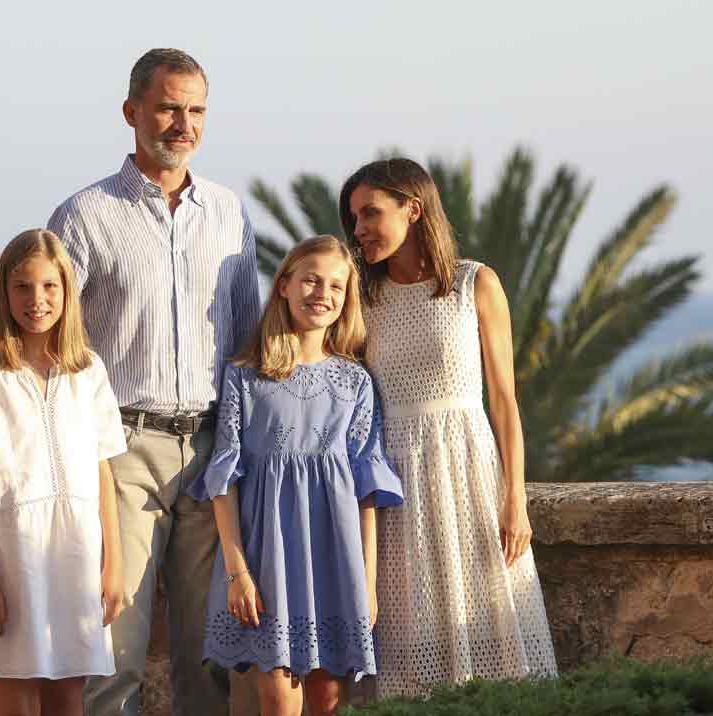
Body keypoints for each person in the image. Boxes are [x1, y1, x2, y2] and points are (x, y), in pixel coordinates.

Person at [46, 48, 261, 716]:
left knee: (211, 659)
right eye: (168, 106)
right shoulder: (83, 216)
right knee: (113, 651)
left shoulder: (229, 213)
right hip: (121, 453)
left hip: (211, 454)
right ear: (132, 111)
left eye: (194, 109)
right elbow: (52, 344)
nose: (181, 123)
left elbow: (249, 338)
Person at [338, 158, 558, 698]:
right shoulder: (362, 297)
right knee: (410, 637)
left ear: (413, 209)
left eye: (370, 213)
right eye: (354, 220)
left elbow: (504, 400)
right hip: (396, 483)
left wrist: (516, 498)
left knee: (493, 626)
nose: (360, 229)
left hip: (469, 471)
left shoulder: (473, 282)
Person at [187, 236, 404, 716]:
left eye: (336, 286)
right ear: (283, 284)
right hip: (267, 561)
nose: (321, 293)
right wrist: (238, 572)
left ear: (347, 300)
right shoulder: (245, 376)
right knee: (278, 701)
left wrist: (366, 584)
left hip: (334, 556)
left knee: (328, 700)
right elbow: (224, 480)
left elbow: (368, 490)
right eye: (310, 279)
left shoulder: (355, 382)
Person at [0, 229, 127, 716]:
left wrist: (114, 564)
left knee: (69, 692)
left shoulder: (89, 372)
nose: (36, 300)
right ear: (4, 293)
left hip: (78, 554)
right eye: (22, 287)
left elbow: (102, 471)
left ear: (67, 291)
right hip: (12, 556)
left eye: (48, 287)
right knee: (16, 693)